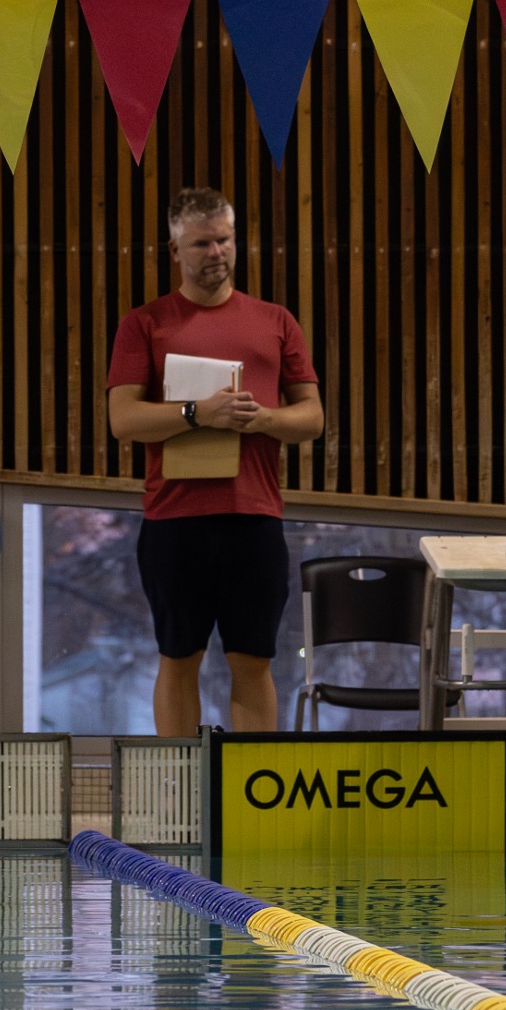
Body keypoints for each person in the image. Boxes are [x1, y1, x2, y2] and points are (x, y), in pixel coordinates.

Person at [103, 187, 326, 737]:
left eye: (224, 240)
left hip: (254, 515)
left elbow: (312, 417)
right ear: (175, 250)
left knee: (252, 659)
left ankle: (251, 781)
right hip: (174, 517)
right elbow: (123, 419)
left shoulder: (275, 320)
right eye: (202, 243)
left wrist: (263, 419)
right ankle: (177, 781)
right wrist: (196, 413)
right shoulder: (145, 323)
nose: (217, 252)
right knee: (178, 658)